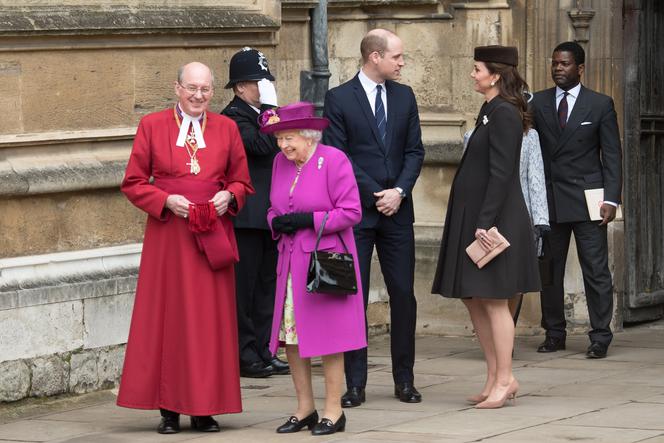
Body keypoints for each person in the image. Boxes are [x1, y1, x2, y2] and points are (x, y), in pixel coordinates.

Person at [117, 62, 254, 433]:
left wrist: (229, 196)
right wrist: (165, 201)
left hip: (213, 233)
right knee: (169, 320)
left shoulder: (226, 128)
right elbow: (132, 183)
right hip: (170, 238)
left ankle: (205, 408)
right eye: (192, 88)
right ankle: (169, 409)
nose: (198, 96)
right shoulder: (152, 125)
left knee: (209, 324)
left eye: (206, 90)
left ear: (213, 92)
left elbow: (242, 180)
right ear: (177, 88)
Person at [431, 46, 540, 409]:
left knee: (494, 301)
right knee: (474, 298)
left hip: (493, 220)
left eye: (477, 69)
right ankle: (494, 377)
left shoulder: (506, 113)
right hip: (475, 217)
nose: (472, 74)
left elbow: (502, 172)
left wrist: (484, 222)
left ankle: (506, 378)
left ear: (495, 74)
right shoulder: (490, 110)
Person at [322, 28, 425, 408]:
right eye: (397, 56)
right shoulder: (339, 98)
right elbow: (339, 155)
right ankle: (355, 385)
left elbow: (415, 150)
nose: (402, 63)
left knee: (404, 297)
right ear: (374, 57)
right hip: (358, 214)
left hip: (398, 212)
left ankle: (405, 380)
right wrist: (375, 194)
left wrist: (398, 191)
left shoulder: (405, 96)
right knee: (354, 299)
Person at [260, 101, 367, 435]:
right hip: (290, 263)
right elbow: (272, 208)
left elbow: (352, 212)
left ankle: (334, 411)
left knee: (329, 339)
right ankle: (304, 407)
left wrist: (310, 220)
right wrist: (278, 221)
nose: (283, 145)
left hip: (325, 264)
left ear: (309, 136)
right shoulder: (280, 163)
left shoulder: (333, 160)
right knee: (291, 338)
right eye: (279, 139)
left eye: (289, 137)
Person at [531, 41, 622, 358]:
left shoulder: (599, 105)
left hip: (589, 202)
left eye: (565, 63)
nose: (558, 68)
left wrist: (611, 199)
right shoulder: (537, 102)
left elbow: (611, 156)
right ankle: (554, 333)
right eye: (555, 63)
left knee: (596, 271)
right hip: (550, 200)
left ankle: (600, 336)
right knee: (549, 272)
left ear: (580, 68)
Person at [221, 47, 289, 378]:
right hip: (246, 217)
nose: (263, 88)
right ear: (239, 87)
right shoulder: (233, 116)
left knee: (267, 287)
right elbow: (262, 146)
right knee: (244, 290)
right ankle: (244, 352)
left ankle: (264, 348)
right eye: (258, 82)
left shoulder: (259, 115)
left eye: (266, 81)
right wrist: (273, 109)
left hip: (269, 215)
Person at [463, 106, 550, 325]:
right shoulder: (472, 135)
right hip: (485, 213)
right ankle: (497, 333)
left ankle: (506, 330)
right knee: (489, 277)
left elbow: (536, 178)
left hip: (518, 214)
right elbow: (469, 178)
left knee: (514, 278)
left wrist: (540, 221)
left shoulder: (530, 136)